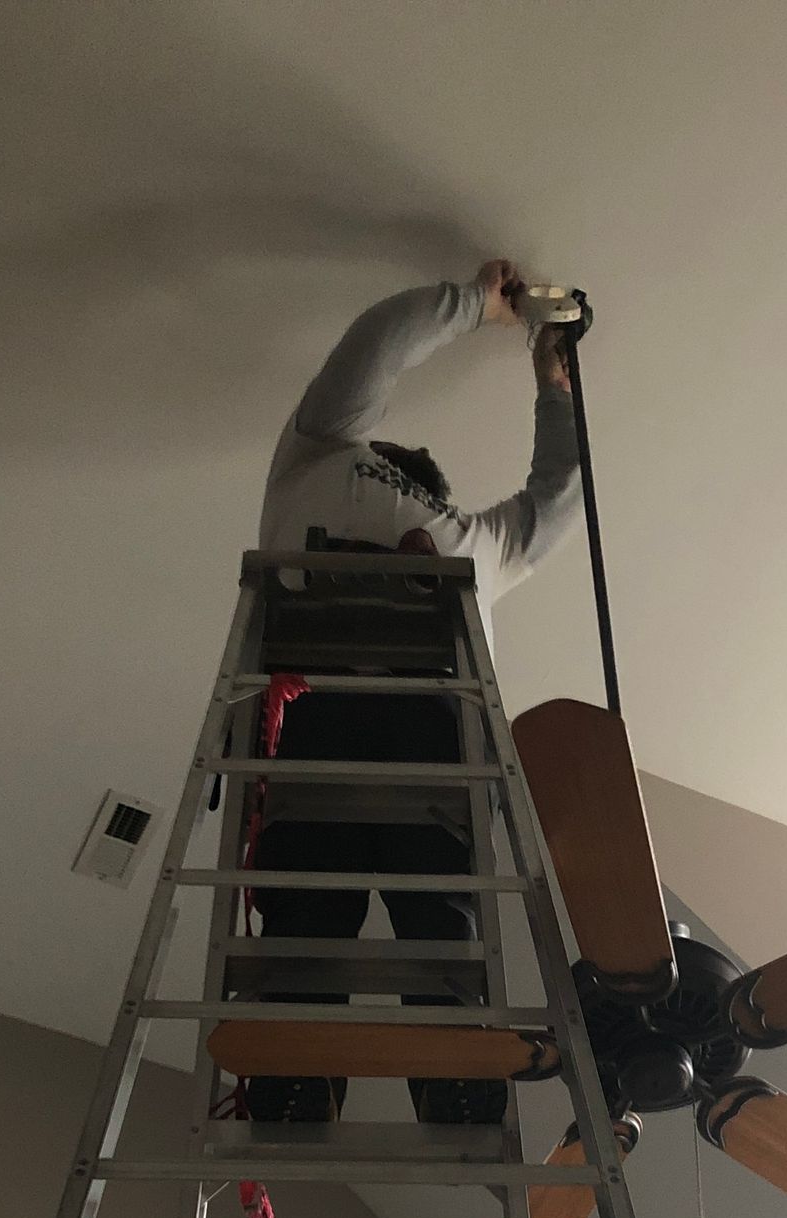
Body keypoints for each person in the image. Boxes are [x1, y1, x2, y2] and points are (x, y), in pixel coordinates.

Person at [245, 258, 582, 1125]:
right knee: (419, 905)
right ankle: (359, 1068)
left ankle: (393, 1069)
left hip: (338, 733)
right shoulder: (331, 456)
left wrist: (543, 371)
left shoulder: (434, 519)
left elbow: (555, 499)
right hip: (397, 737)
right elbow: (378, 352)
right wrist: (484, 312)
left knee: (346, 905)